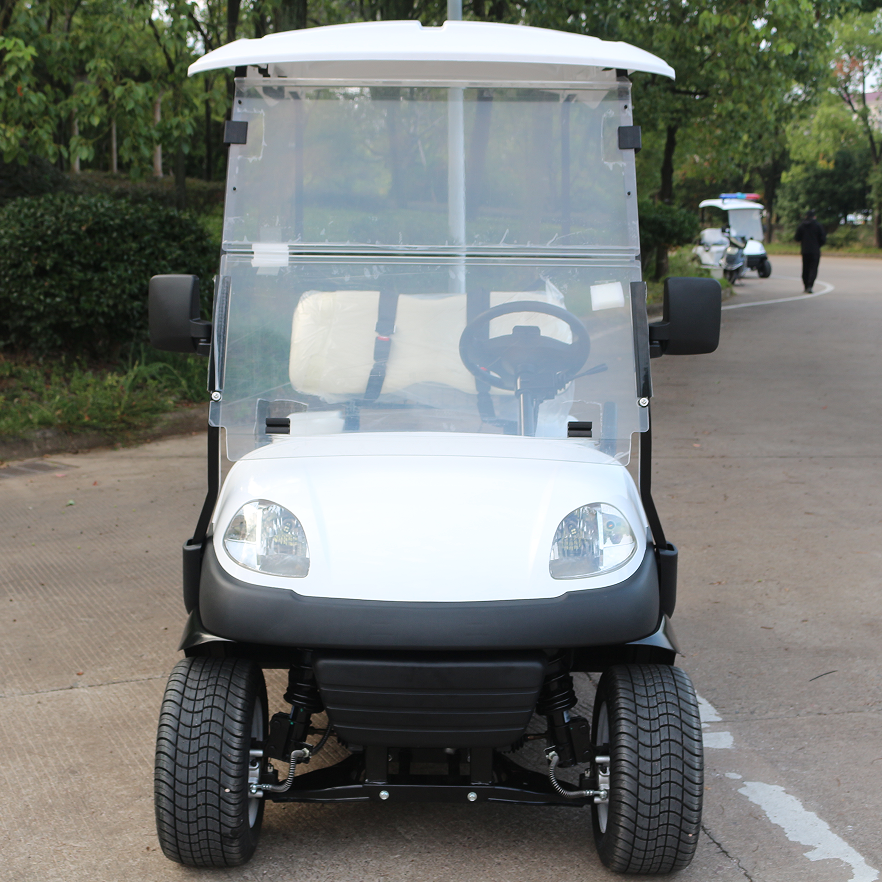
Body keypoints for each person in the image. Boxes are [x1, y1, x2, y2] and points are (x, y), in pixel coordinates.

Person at [794, 210, 826, 293]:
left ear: (806, 216)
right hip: (815, 251)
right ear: (814, 217)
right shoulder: (818, 225)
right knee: (813, 269)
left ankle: (805, 285)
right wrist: (818, 245)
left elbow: (797, 238)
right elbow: (823, 239)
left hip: (805, 250)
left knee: (805, 268)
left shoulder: (801, 225)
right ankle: (810, 285)